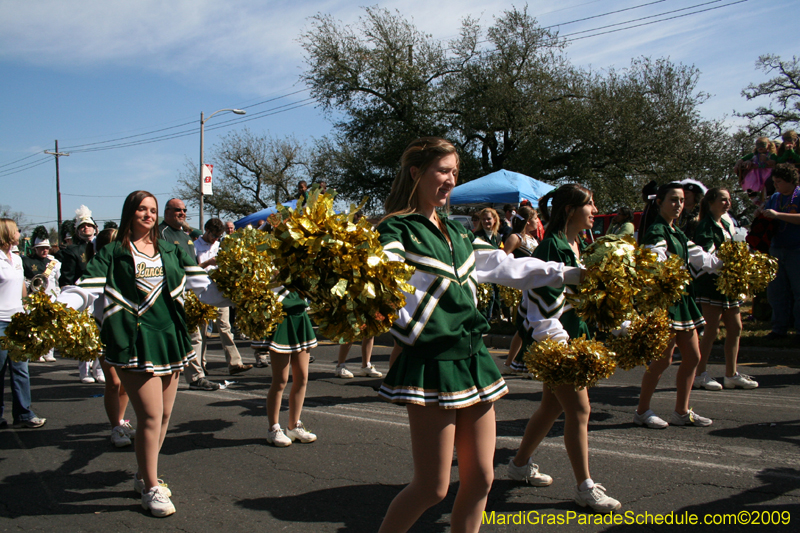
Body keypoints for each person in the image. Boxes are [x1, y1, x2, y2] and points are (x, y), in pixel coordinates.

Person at [375, 137, 583, 533]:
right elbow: (379, 276)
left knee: (482, 479)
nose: (450, 179)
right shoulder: (395, 229)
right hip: (433, 362)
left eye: (455, 172)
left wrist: (570, 274)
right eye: (442, 171)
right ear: (417, 173)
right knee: (432, 488)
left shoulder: (456, 232)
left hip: (474, 359)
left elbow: (505, 266)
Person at [58, 191, 232, 516]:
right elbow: (85, 289)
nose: (148, 215)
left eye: (152, 210)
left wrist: (248, 293)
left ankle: (142, 475)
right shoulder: (112, 252)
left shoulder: (171, 250)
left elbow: (205, 290)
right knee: (150, 416)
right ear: (130, 213)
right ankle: (152, 487)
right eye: (142, 209)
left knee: (164, 416)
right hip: (131, 342)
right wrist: (58, 307)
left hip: (170, 338)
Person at [506, 184, 620, 513]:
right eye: (590, 204)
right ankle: (585, 487)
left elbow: (582, 299)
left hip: (572, 335)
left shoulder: (579, 244)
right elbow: (538, 310)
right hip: (554, 342)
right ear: (571, 210)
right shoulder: (552, 248)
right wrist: (559, 348)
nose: (595, 210)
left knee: (551, 407)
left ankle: (518, 464)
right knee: (579, 410)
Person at [633, 182, 722, 430]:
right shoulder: (657, 230)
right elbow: (653, 257)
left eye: (682, 200)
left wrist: (730, 263)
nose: (679, 205)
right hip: (666, 301)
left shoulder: (677, 232)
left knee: (693, 356)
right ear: (659, 202)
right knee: (662, 360)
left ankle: (682, 412)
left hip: (682, 300)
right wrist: (663, 269)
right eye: (673, 200)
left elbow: (701, 257)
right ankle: (642, 411)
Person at [692, 188, 756, 391]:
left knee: (736, 327)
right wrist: (728, 258)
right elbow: (707, 254)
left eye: (728, 200)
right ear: (711, 202)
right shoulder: (704, 225)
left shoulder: (727, 222)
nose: (727, 203)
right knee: (711, 330)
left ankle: (731, 374)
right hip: (712, 283)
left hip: (729, 282)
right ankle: (699, 373)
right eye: (723, 199)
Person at [158, 198, 219, 391]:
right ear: (167, 211)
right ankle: (162, 373)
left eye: (184, 210)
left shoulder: (187, 236)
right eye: (178, 210)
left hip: (189, 292)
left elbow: (193, 264)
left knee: (195, 336)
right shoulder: (160, 233)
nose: (182, 213)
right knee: (169, 336)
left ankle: (196, 377)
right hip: (168, 293)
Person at [0, 218, 46, 429]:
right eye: (16, 230)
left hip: (17, 320)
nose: (19, 232)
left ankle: (23, 414)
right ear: (7, 232)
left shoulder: (17, 259)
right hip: (0, 321)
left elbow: (21, 288)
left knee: (21, 369)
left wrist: (27, 308)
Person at [193, 218, 253, 376]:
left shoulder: (220, 246)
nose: (215, 239)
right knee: (203, 332)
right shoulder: (195, 246)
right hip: (202, 291)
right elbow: (192, 269)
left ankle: (235, 363)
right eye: (214, 236)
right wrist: (207, 263)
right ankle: (201, 366)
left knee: (225, 327)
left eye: (218, 236)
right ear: (206, 231)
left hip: (219, 289)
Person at [262, 287, 318, 447]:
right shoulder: (272, 270)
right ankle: (273, 429)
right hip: (282, 320)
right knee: (280, 380)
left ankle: (294, 426)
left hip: (300, 319)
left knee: (302, 378)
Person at [757, 164, 800, 341]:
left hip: (796, 249)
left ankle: (799, 330)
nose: (776, 185)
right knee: (776, 290)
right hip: (776, 248)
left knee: (798, 291)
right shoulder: (775, 197)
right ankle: (778, 328)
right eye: (774, 182)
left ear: (791, 181)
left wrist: (778, 215)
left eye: (779, 182)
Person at [503, 206, 540, 372]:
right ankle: (520, 363)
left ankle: (510, 363)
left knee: (526, 326)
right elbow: (503, 260)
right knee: (528, 325)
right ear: (527, 221)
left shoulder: (532, 239)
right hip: (525, 287)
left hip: (536, 285)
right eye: (535, 218)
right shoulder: (515, 238)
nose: (537, 221)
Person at [21, 226, 61, 363]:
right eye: (41, 248)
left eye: (46, 248)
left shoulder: (53, 263)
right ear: (35, 248)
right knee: (35, 326)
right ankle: (37, 351)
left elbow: (57, 282)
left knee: (50, 326)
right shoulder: (26, 261)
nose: (45, 250)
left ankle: (49, 351)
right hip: (34, 298)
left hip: (50, 298)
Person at [56, 205, 97, 286]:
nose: (86, 227)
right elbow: (66, 280)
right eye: (82, 226)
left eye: (89, 225)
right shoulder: (72, 251)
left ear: (95, 229)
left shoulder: (103, 247)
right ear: (77, 232)